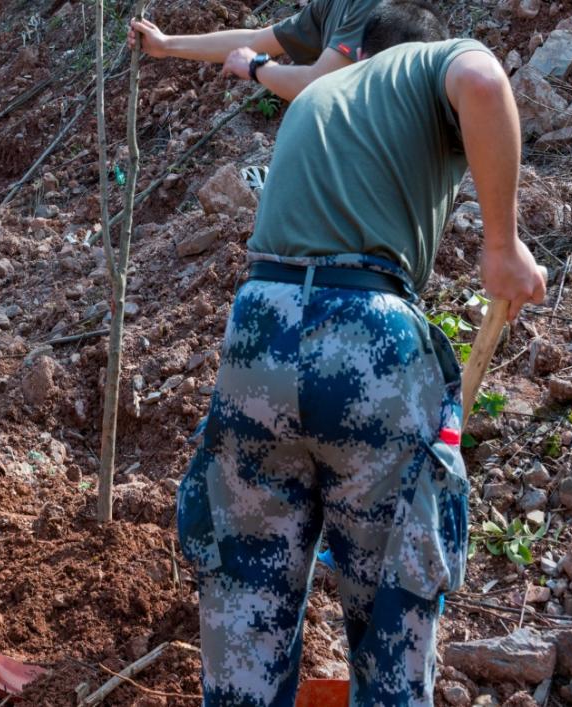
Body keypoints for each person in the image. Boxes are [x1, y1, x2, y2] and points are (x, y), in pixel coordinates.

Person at [176, 1, 547, 705]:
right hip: (364, 329)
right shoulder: (426, 60)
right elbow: (483, 83)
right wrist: (502, 247)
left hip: (258, 325)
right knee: (391, 628)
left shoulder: (319, 93)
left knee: (245, 621)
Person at [129, 0, 381, 102]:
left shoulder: (373, 5)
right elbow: (257, 40)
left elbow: (319, 86)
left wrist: (257, 66)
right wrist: (166, 44)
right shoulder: (335, 4)